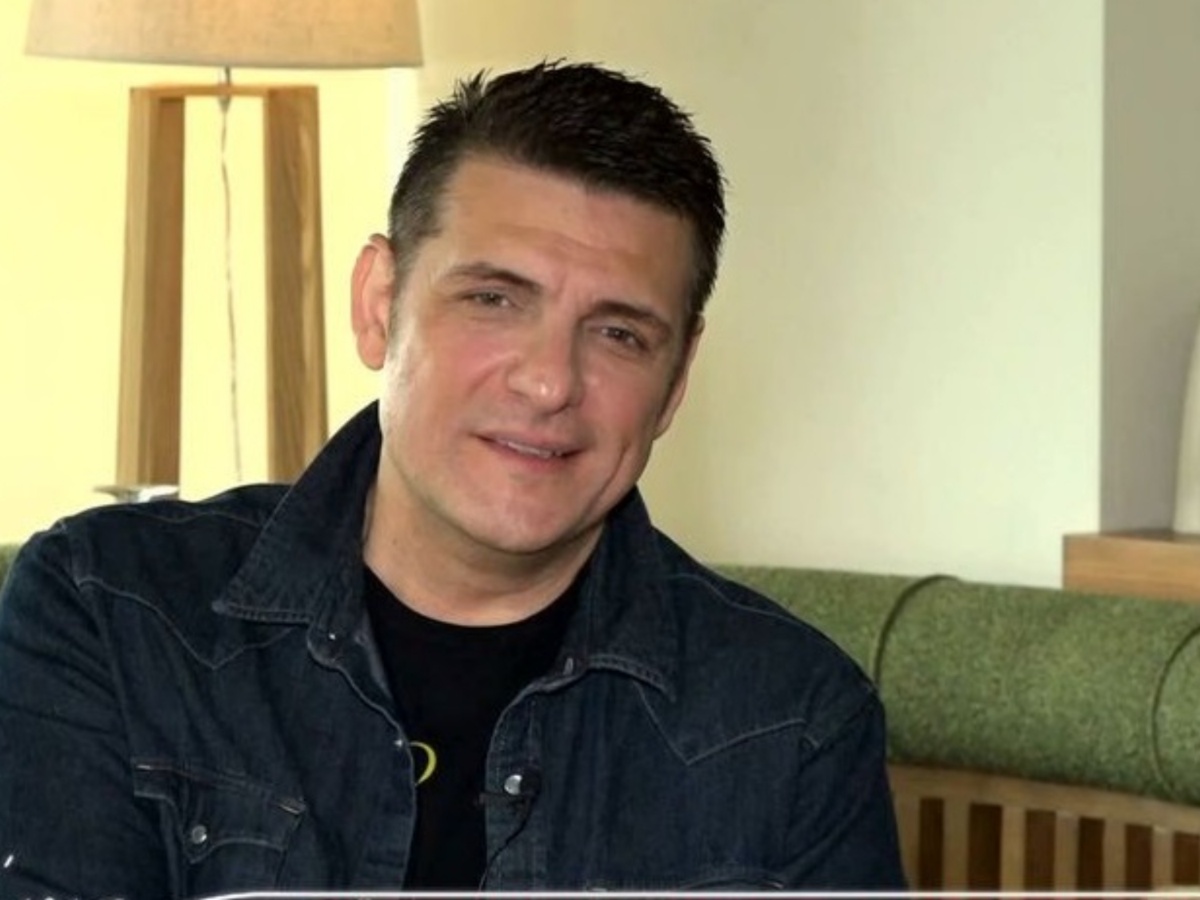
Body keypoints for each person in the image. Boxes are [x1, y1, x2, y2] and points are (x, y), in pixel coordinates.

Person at [0, 61, 905, 896]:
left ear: (675, 383)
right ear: (378, 305)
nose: (549, 382)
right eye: (493, 299)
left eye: (619, 333)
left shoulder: (794, 723)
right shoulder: (109, 609)